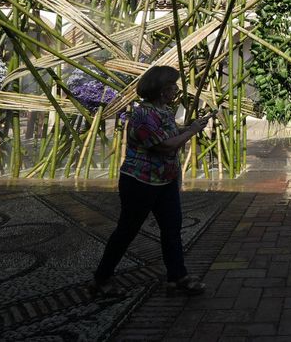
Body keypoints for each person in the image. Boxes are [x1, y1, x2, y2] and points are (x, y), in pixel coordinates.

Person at [90, 65, 211, 297]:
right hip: (140, 182)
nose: (176, 89)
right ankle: (101, 278)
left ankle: (177, 277)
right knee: (127, 230)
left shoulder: (164, 111)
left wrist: (191, 127)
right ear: (162, 89)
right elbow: (164, 145)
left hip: (165, 181)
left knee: (172, 229)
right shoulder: (143, 114)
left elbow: (172, 135)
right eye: (172, 85)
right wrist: (191, 132)